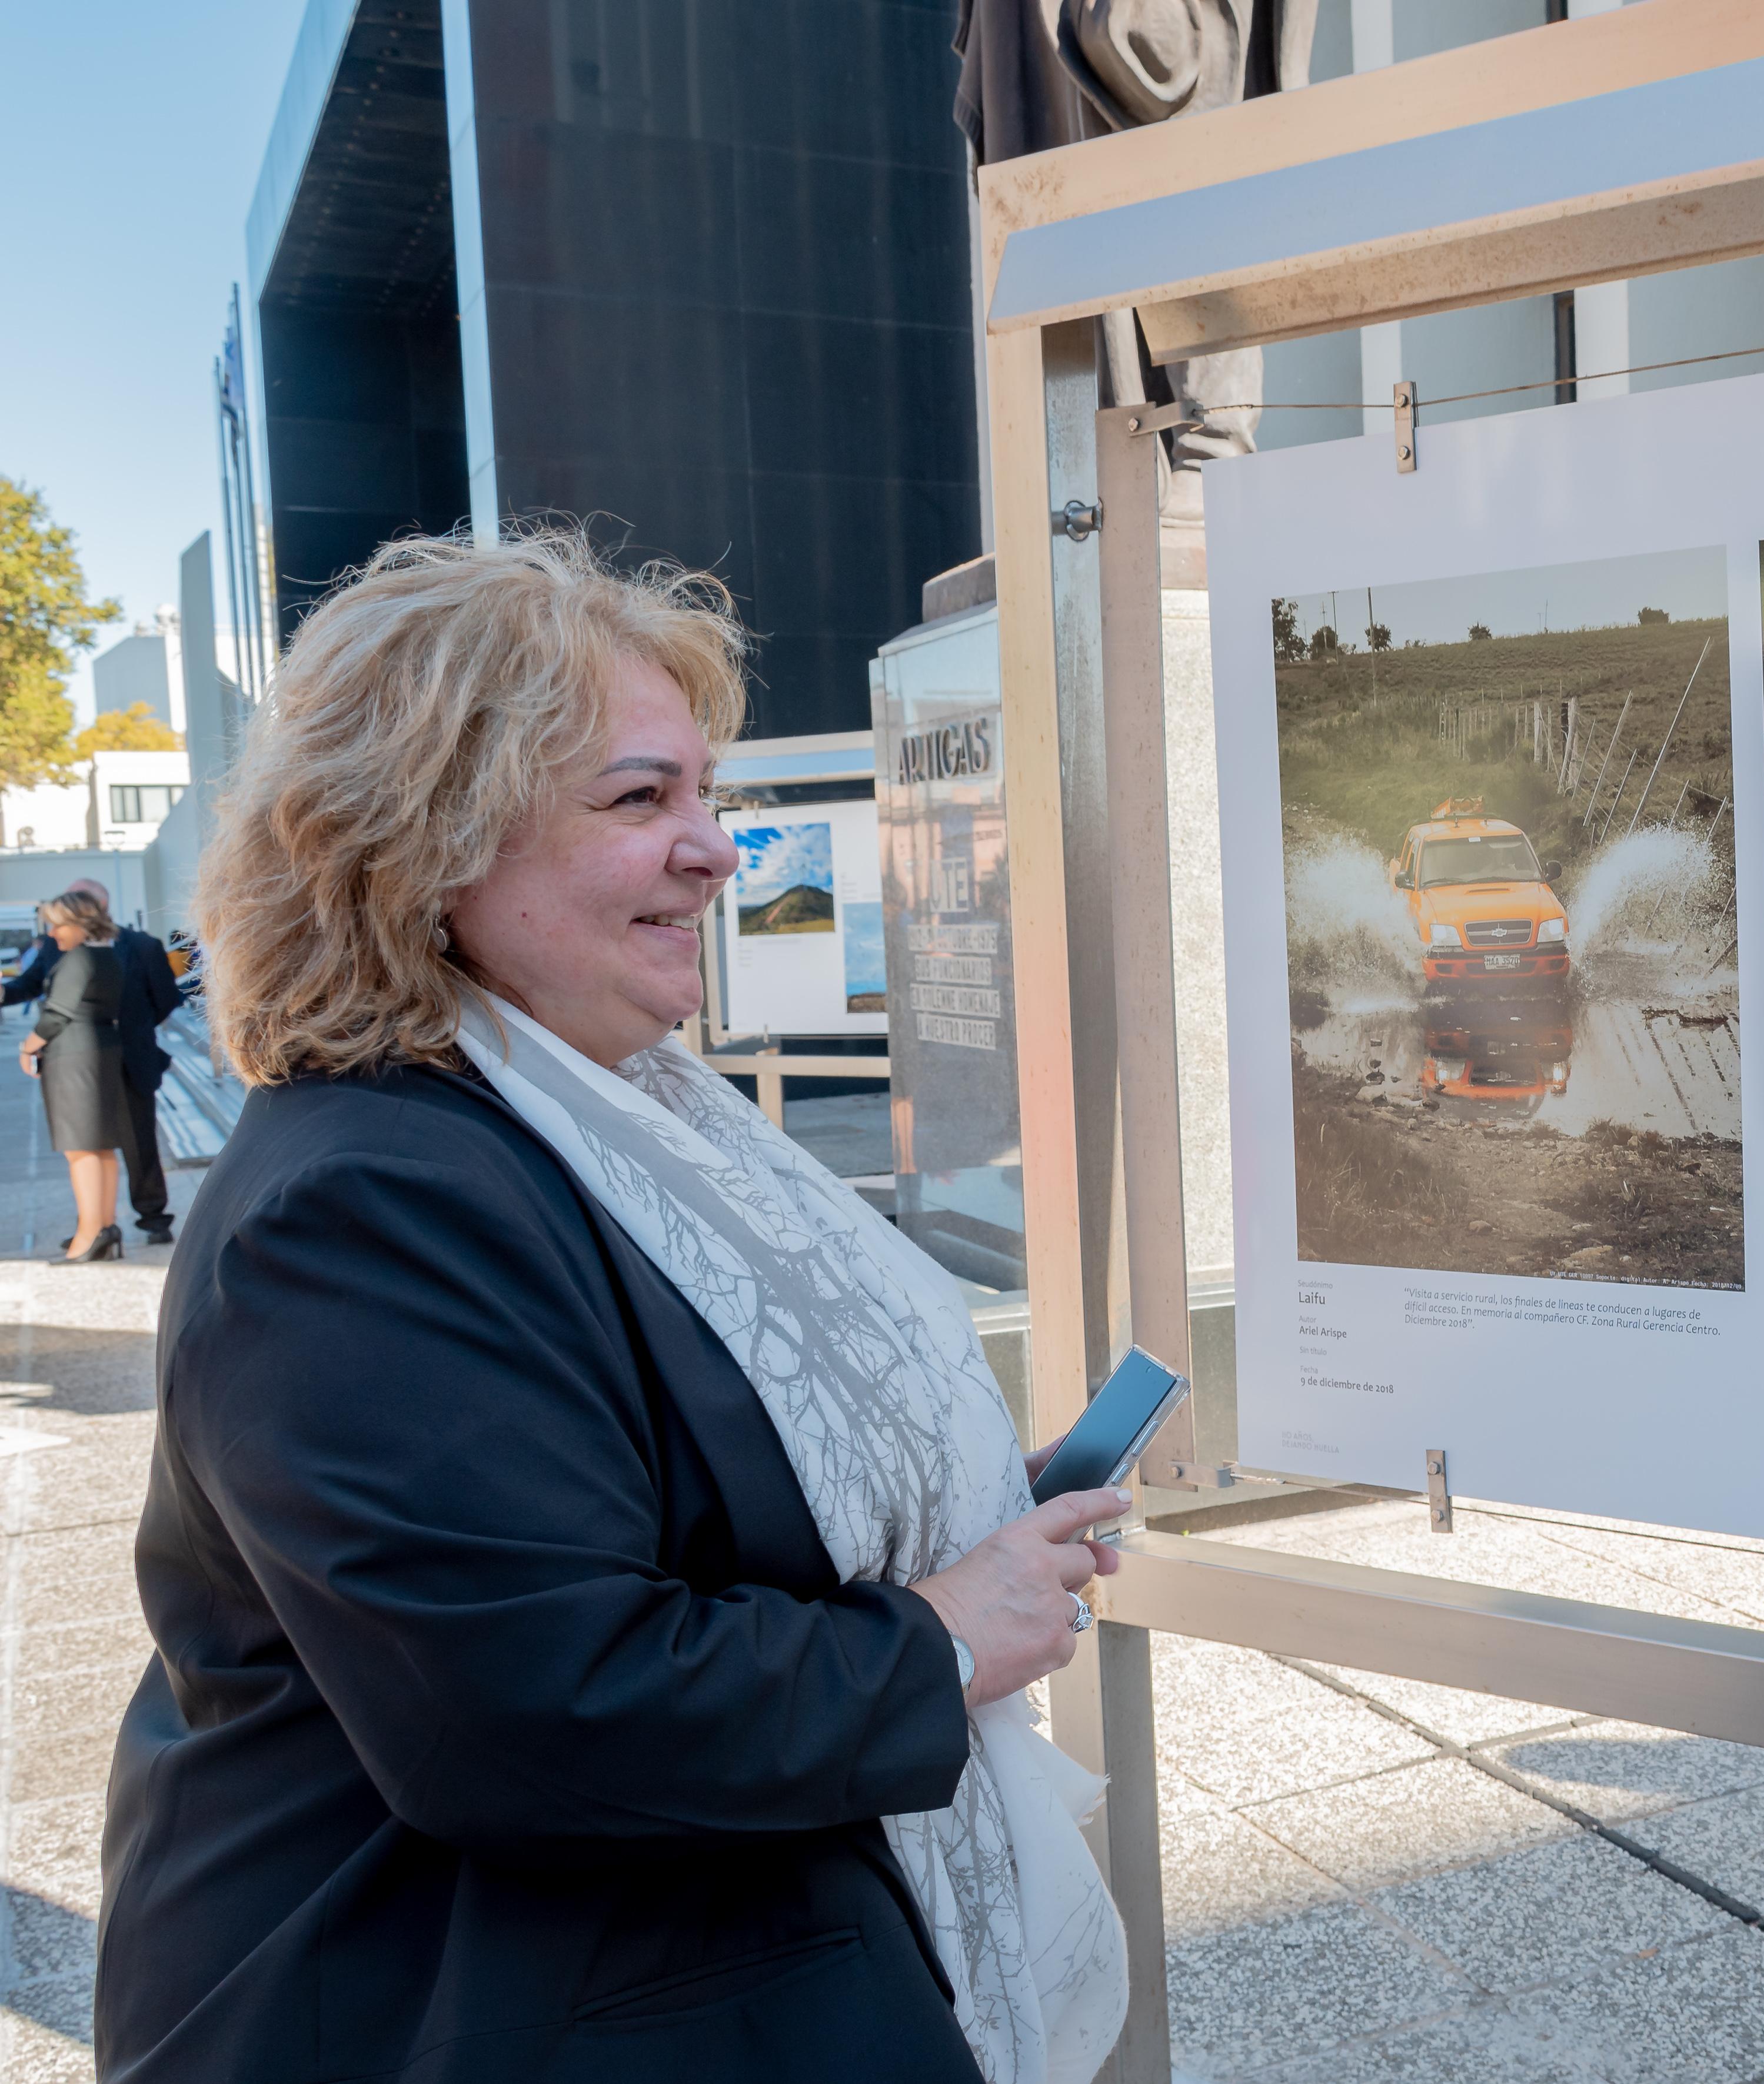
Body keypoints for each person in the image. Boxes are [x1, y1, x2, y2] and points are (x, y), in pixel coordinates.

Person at [101, 529, 1131, 2083]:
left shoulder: (600, 1118)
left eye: (705, 794)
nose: (716, 848)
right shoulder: (366, 1200)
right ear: (420, 839)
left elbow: (678, 1481)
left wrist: (960, 1516)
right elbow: (526, 1705)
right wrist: (927, 1641)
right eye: (640, 798)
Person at [17, 876, 184, 1241]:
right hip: (84, 1063)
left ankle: (153, 1219)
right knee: (92, 1144)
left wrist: (135, 1030)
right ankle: (95, 1225)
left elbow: (167, 998)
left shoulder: (142, 946)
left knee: (140, 1143)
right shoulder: (57, 946)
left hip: (132, 1060)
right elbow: (29, 985)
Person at [18, 890, 132, 1262]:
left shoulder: (79, 958)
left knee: (80, 1149)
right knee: (100, 1146)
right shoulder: (106, 955)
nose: (52, 933)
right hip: (99, 1051)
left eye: (57, 924)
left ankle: (89, 1235)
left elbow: (57, 1014)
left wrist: (28, 1047)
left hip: (74, 1057)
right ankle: (106, 1228)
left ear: (79, 923)